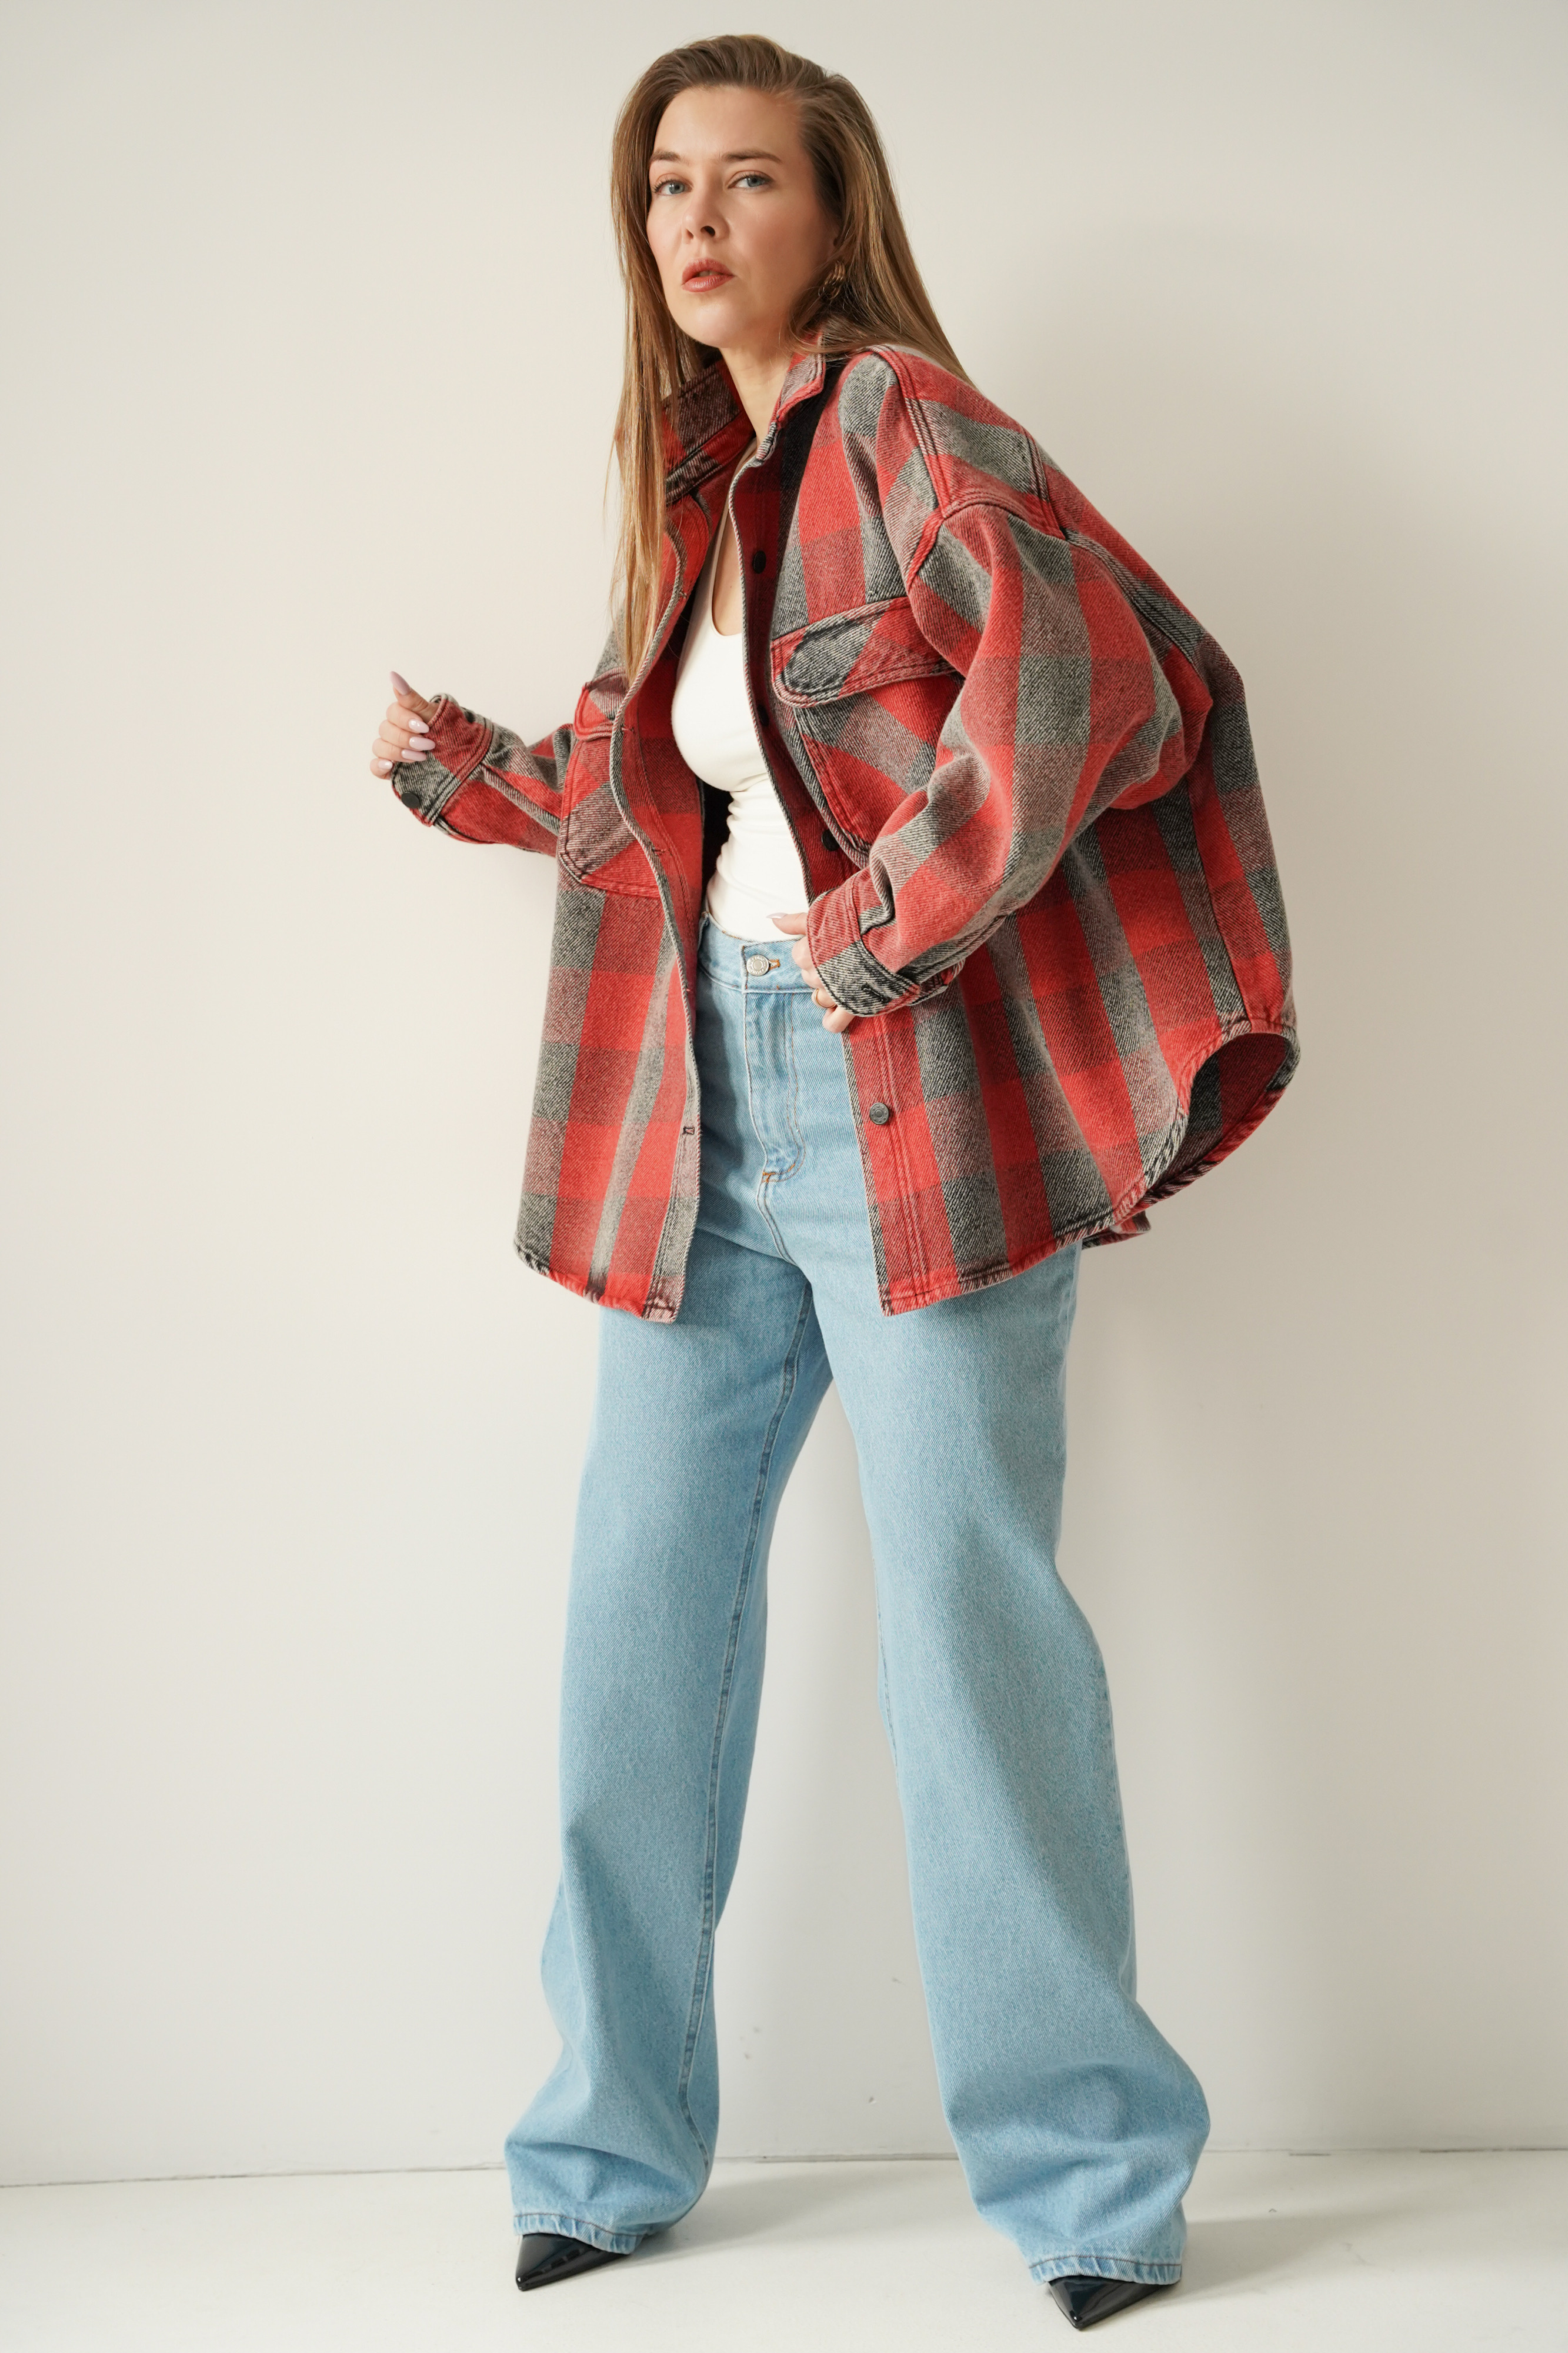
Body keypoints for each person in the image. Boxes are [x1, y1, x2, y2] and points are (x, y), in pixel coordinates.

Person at [368, 34, 1297, 2334]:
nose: (696, 221)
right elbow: (657, 793)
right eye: (665, 185)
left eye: (747, 181)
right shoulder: (703, 485)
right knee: (635, 1638)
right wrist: (463, 770)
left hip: (902, 1106)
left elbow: (1086, 685)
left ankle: (1088, 2185)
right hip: (695, 1115)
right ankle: (604, 2151)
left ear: (833, 210)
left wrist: (883, 929)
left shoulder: (905, 425)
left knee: (973, 1638)